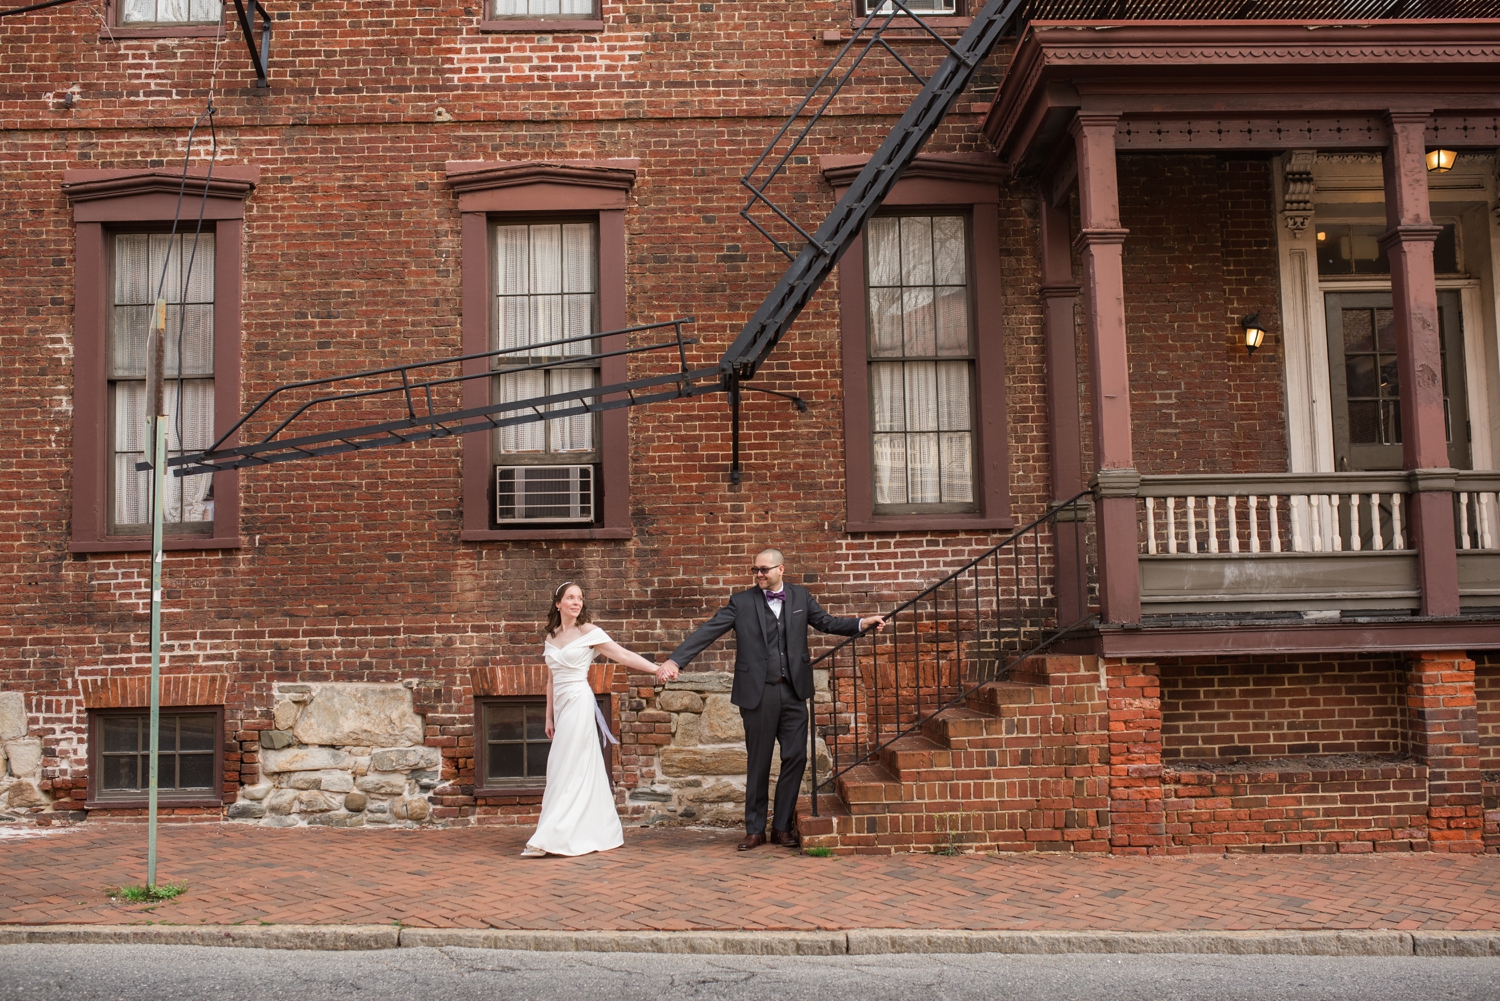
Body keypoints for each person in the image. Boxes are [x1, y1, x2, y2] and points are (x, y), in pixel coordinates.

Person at [660, 548, 885, 851]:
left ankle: (781, 827)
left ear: (781, 569)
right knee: (759, 761)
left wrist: (861, 623)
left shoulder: (800, 597)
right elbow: (708, 631)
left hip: (793, 690)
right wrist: (676, 661)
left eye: (765, 569)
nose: (759, 574)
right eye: (756, 570)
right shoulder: (741, 602)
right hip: (758, 692)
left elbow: (826, 622)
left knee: (796, 757)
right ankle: (754, 830)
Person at [523, 581, 664, 858]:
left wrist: (656, 668)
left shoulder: (589, 632)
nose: (576, 602)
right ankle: (579, 828)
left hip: (578, 701)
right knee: (563, 766)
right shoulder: (550, 637)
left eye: (580, 598)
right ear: (558, 603)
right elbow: (551, 679)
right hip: (562, 707)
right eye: (571, 598)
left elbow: (621, 654)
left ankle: (550, 836)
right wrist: (548, 716)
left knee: (567, 764)